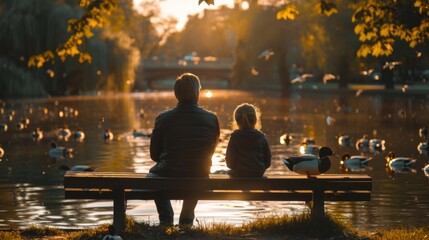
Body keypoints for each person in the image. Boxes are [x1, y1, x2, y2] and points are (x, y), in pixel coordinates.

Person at [149, 73, 220, 226]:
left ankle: (166, 218)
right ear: (197, 93)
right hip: (199, 176)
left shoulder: (163, 118)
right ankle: (186, 219)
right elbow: (210, 152)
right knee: (197, 166)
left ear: (176, 94)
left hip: (168, 173)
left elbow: (154, 155)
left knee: (152, 178)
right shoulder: (212, 118)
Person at [225, 103, 271, 178]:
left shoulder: (235, 137)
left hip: (238, 174)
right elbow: (267, 162)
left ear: (236, 121)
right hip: (258, 174)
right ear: (255, 120)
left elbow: (229, 163)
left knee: (229, 173)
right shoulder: (261, 136)